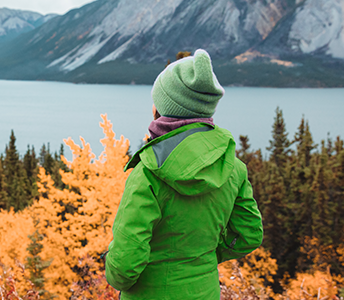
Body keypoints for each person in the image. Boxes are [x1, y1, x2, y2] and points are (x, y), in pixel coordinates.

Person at [104, 49, 263, 299]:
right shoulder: (233, 167)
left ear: (164, 109)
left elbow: (123, 268)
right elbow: (249, 234)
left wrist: (111, 269)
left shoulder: (148, 174)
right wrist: (204, 258)